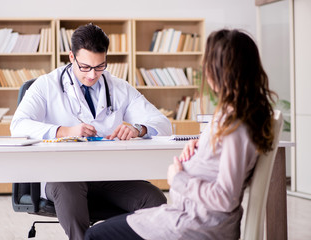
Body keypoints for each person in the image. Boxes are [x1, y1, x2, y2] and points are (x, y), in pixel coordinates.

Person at [84, 29, 277, 240]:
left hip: (194, 224)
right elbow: (221, 161)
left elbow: (226, 198)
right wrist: (202, 148)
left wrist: (179, 178)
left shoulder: (236, 127)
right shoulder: (235, 117)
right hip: (190, 217)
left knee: (95, 235)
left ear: (219, 72)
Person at [10, 23, 172, 240]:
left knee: (154, 200)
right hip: (63, 175)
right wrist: (63, 131)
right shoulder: (46, 86)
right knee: (68, 190)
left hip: (108, 173)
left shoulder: (119, 87)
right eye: (85, 67)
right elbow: (18, 125)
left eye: (99, 66)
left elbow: (161, 123)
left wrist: (138, 129)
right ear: (71, 57)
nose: (92, 75)